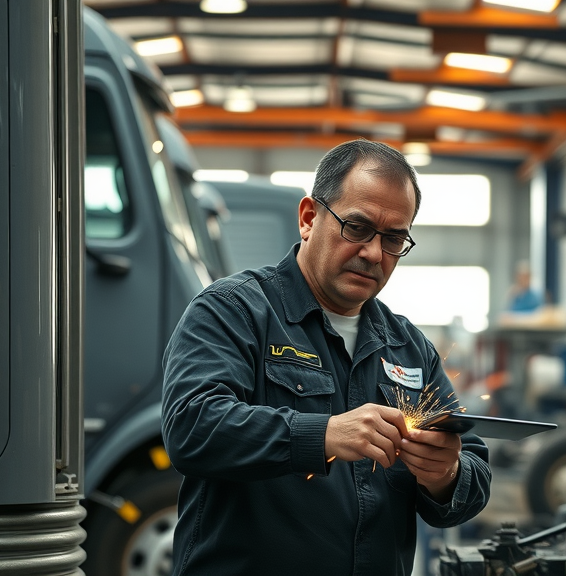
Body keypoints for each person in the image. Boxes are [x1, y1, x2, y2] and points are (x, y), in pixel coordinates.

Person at [161, 139, 491, 575]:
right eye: (356, 228)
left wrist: (445, 476)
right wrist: (322, 435)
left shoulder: (408, 346)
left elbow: (473, 468)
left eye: (394, 239)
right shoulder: (234, 311)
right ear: (308, 218)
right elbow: (191, 426)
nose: (373, 253)